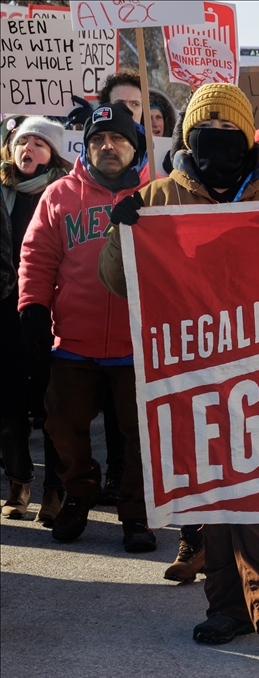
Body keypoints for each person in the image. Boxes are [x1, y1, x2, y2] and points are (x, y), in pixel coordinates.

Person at [99, 83, 259, 653]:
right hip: (194, 375)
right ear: (186, 139)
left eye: (228, 135)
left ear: (247, 139)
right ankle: (227, 607)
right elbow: (119, 283)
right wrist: (121, 234)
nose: (216, 145)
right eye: (204, 134)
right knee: (214, 496)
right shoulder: (161, 198)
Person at [17, 103, 155, 551]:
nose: (107, 146)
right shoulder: (59, 195)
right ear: (86, 147)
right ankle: (79, 493)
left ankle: (136, 513)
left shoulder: (160, 195)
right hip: (73, 341)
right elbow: (37, 258)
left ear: (134, 148)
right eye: (97, 140)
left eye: (117, 139)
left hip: (138, 344)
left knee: (141, 436)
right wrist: (33, 307)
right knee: (63, 426)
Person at [0, 116, 71, 523]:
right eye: (23, 140)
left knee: (52, 406)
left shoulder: (63, 195)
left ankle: (53, 490)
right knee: (8, 405)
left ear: (54, 153)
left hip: (49, 313)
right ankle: (19, 480)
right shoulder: (2, 191)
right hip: (6, 312)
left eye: (40, 143)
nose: (29, 148)